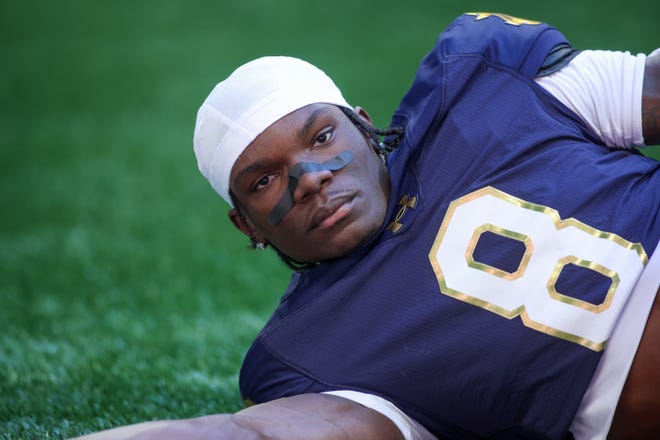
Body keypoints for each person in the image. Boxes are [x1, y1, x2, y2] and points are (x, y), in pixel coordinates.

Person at [76, 12, 659, 440]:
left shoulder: (481, 75)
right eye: (264, 182)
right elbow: (255, 435)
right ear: (247, 226)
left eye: (322, 137)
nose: (308, 179)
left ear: (362, 123)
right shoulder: (304, 359)